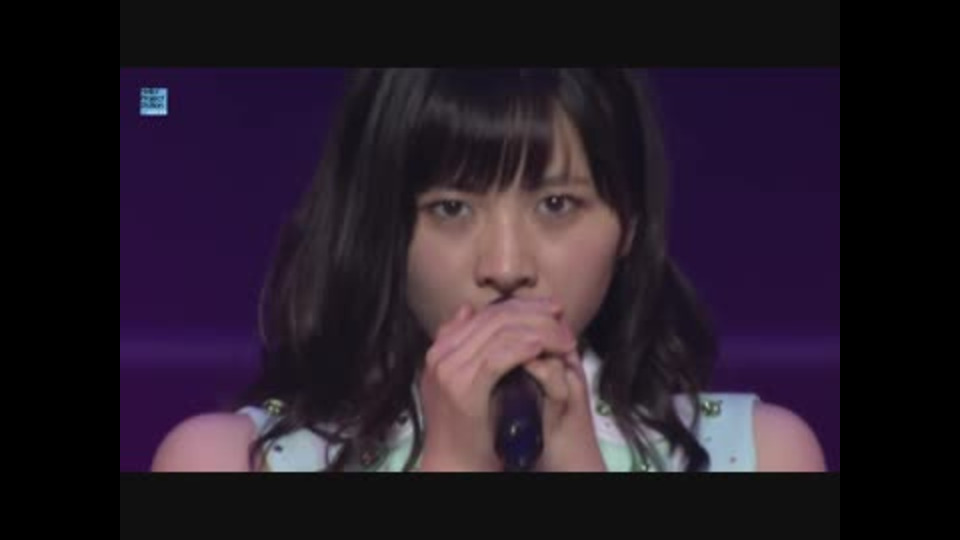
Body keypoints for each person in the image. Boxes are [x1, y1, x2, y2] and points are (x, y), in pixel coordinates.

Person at [151, 68, 826, 472]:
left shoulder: (756, 454)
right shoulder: (231, 462)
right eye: (451, 208)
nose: (505, 267)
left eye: (556, 204)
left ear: (629, 225)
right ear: (385, 226)